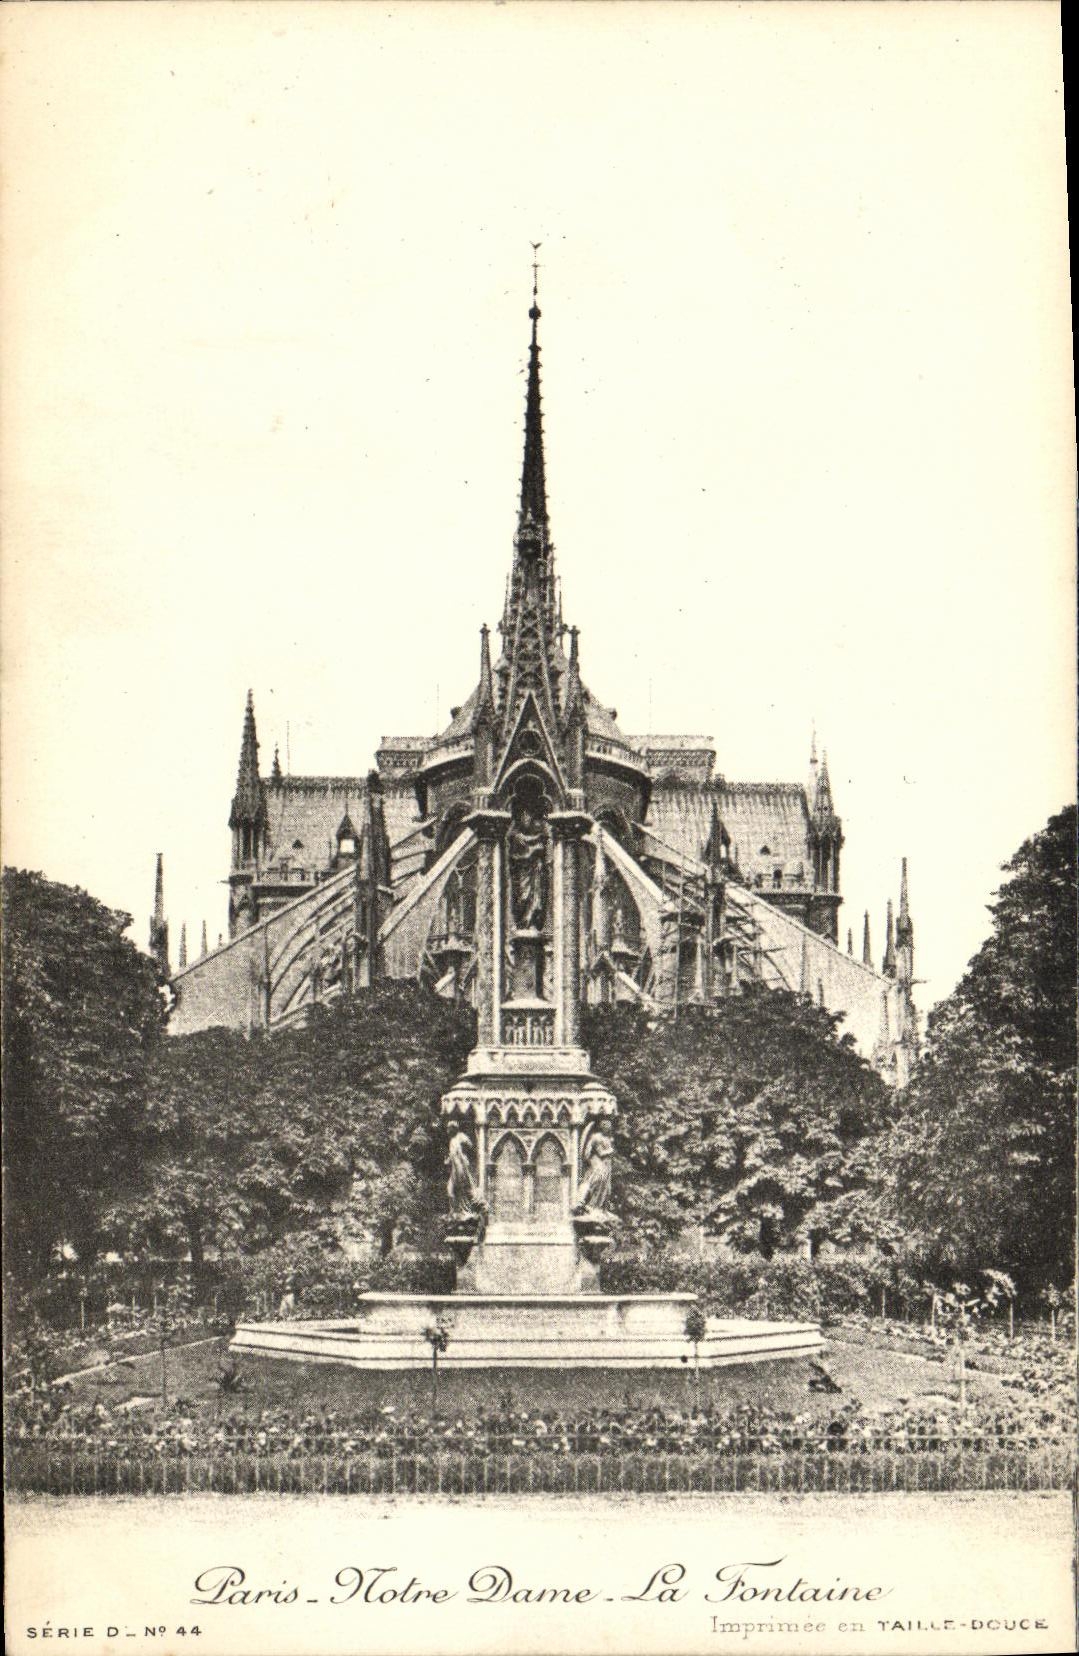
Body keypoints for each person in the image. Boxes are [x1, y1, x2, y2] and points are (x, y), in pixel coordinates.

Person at [574, 1127, 614, 1214]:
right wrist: (610, 1151)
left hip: (604, 1164)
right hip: (596, 1163)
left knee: (602, 1183)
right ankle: (580, 1203)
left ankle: (593, 1206)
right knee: (592, 1181)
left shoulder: (607, 1137)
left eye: (608, 1122)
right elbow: (600, 1153)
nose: (607, 1125)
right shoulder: (596, 1137)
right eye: (604, 1123)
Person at [446, 1125, 477, 1212]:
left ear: (454, 1129)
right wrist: (448, 1160)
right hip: (454, 1166)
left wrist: (464, 1147)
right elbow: (452, 1154)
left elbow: (470, 1145)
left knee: (462, 1186)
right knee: (450, 1190)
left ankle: (465, 1209)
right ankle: (454, 1211)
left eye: (450, 1129)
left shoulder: (461, 1136)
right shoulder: (452, 1140)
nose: (448, 1131)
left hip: (461, 1164)